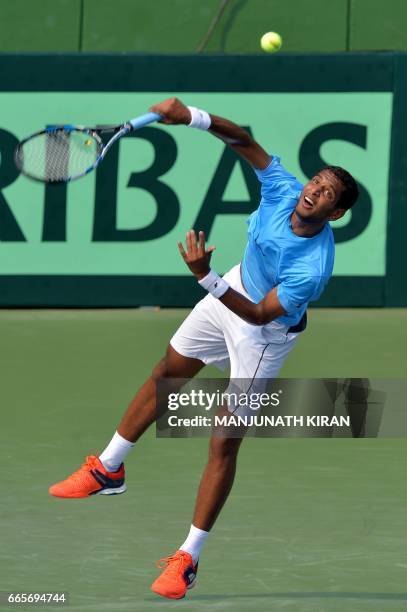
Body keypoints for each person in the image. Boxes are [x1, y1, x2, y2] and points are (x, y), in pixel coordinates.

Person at [48, 98, 359, 600]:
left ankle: (188, 557)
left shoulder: (313, 267)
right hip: (230, 289)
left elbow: (259, 315)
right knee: (167, 372)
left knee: (223, 440)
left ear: (336, 213)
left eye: (326, 194)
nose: (313, 191)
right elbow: (245, 142)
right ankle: (108, 468)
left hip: (263, 334)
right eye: (315, 181)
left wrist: (204, 277)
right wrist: (190, 114)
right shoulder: (282, 189)